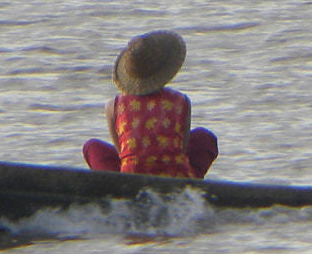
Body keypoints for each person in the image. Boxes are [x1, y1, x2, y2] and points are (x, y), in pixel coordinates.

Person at [82, 30, 219, 178]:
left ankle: (115, 186)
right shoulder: (181, 101)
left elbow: (122, 152)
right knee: (204, 137)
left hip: (131, 177)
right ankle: (192, 182)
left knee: (92, 147)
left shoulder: (113, 106)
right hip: (176, 175)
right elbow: (182, 148)